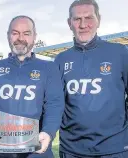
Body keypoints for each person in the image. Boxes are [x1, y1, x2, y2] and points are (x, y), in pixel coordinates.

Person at [0, 15, 65, 158]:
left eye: (26, 33)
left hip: (36, 151)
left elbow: (54, 104)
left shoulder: (49, 68)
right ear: (8, 36)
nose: (20, 38)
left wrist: (48, 132)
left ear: (34, 36)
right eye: (15, 33)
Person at [55, 0, 128, 157]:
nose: (83, 25)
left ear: (98, 20)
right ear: (69, 23)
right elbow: (54, 103)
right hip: (72, 151)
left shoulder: (120, 52)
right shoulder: (60, 60)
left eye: (89, 18)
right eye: (77, 19)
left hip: (114, 150)